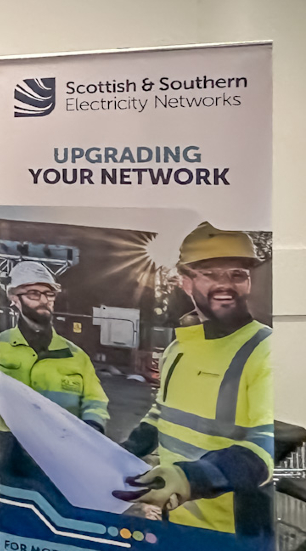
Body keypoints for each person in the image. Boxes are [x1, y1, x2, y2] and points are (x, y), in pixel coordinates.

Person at [114, 223, 272, 536]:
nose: (225, 284)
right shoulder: (177, 349)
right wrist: (125, 451)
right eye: (211, 273)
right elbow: (162, 413)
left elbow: (265, 447)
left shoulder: (266, 351)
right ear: (185, 282)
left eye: (237, 274)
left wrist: (191, 478)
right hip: (176, 520)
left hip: (235, 532)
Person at [0, 261, 109, 432]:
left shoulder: (76, 356)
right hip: (9, 449)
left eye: (49, 294)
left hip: (59, 449)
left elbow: (95, 400)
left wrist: (92, 427)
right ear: (14, 298)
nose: (44, 300)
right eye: (34, 294)